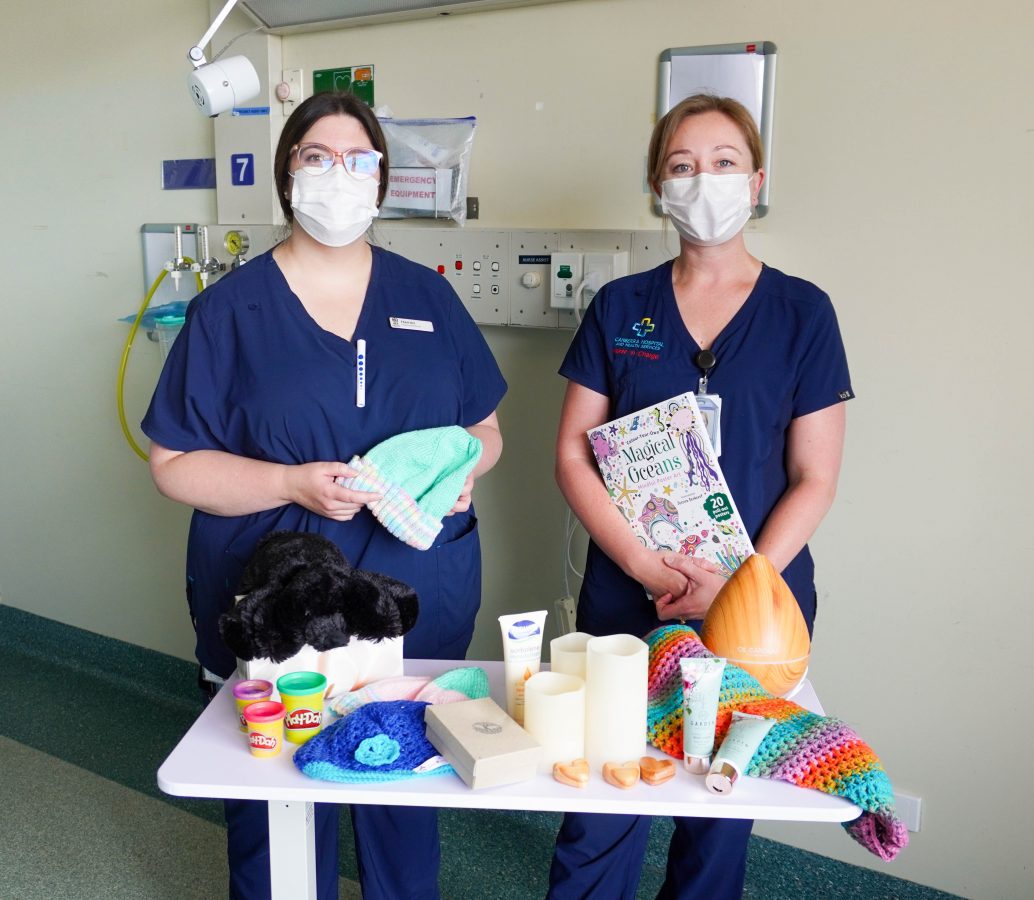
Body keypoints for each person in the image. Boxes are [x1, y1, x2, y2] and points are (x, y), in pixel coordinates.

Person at [142, 91, 506, 900]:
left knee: (402, 784)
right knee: (274, 804)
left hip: (415, 591)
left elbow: (485, 430)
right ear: (286, 178)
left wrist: (458, 474)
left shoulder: (428, 298)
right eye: (316, 157)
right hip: (275, 598)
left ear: (381, 181)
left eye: (358, 159)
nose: (338, 176)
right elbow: (172, 462)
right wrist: (287, 483)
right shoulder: (228, 310)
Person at [547, 94, 854, 899]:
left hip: (755, 604)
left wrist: (739, 587)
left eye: (723, 163)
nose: (703, 179)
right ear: (658, 187)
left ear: (755, 181)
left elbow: (815, 478)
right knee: (602, 799)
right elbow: (573, 454)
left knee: (715, 811)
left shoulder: (802, 313)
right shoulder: (621, 308)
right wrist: (644, 565)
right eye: (682, 166)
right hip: (629, 592)